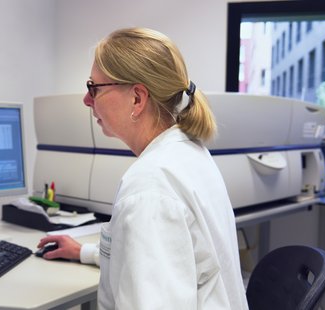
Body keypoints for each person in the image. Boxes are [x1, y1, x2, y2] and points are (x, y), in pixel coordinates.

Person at [37, 27, 249, 309]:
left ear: (137, 98)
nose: (86, 100)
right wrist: (85, 252)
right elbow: (168, 257)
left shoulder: (150, 187)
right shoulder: (188, 153)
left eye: (94, 88)